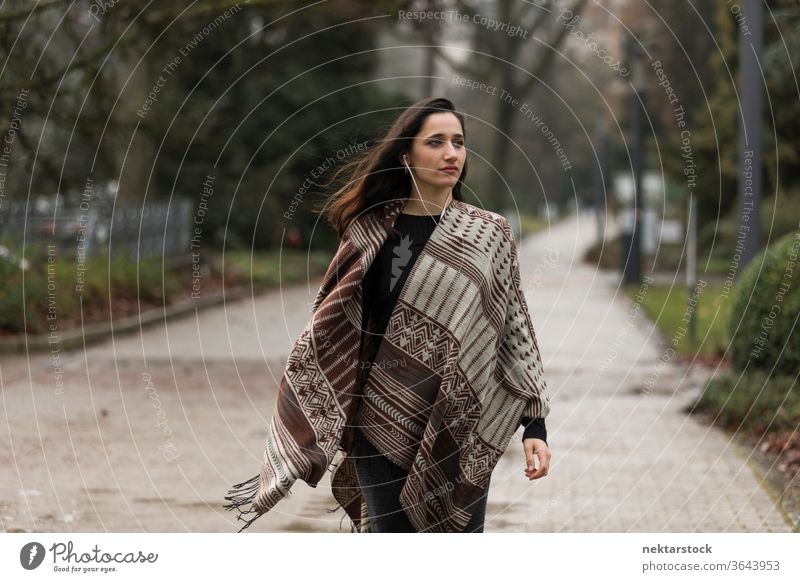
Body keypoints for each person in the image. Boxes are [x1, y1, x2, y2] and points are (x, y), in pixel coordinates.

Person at [225, 97, 551, 533]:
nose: (451, 153)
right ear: (406, 154)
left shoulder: (489, 233)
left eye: (458, 142)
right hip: (377, 422)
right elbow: (330, 328)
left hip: (459, 425)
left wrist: (536, 426)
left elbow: (514, 331)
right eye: (435, 142)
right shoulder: (369, 230)